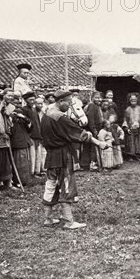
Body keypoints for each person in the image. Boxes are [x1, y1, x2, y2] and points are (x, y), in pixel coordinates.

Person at [41, 90, 109, 229]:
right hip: (62, 156)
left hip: (50, 156)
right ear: (61, 102)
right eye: (69, 103)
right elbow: (80, 134)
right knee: (66, 186)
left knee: (51, 185)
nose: (70, 105)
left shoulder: (46, 114)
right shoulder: (60, 117)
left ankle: (48, 219)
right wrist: (99, 143)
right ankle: (69, 221)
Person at [9, 101, 33, 187]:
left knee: (26, 164)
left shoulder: (23, 122)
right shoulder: (12, 123)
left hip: (25, 143)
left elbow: (30, 127)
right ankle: (18, 181)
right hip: (18, 145)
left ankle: (26, 180)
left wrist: (24, 118)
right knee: (19, 164)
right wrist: (12, 118)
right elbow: (10, 130)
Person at [22, 92, 44, 178]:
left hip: (37, 135)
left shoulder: (34, 110)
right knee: (32, 155)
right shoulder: (25, 110)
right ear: (25, 100)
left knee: (38, 154)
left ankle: (37, 171)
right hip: (30, 135)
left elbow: (38, 123)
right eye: (30, 100)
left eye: (33, 99)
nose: (32, 101)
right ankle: (31, 172)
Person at [83, 91, 104, 170]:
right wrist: (94, 130)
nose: (99, 99)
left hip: (97, 128)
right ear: (92, 98)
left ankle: (91, 163)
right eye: (96, 98)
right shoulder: (92, 105)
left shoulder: (97, 106)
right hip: (92, 129)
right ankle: (92, 163)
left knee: (93, 146)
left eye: (99, 98)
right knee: (92, 147)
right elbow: (90, 119)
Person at [123, 93, 140, 160]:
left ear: (137, 100)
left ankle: (137, 156)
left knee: (138, 143)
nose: (133, 101)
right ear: (129, 100)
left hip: (138, 129)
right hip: (131, 129)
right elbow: (125, 120)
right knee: (130, 143)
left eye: (134, 99)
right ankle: (130, 156)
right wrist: (126, 128)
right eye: (132, 100)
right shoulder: (127, 109)